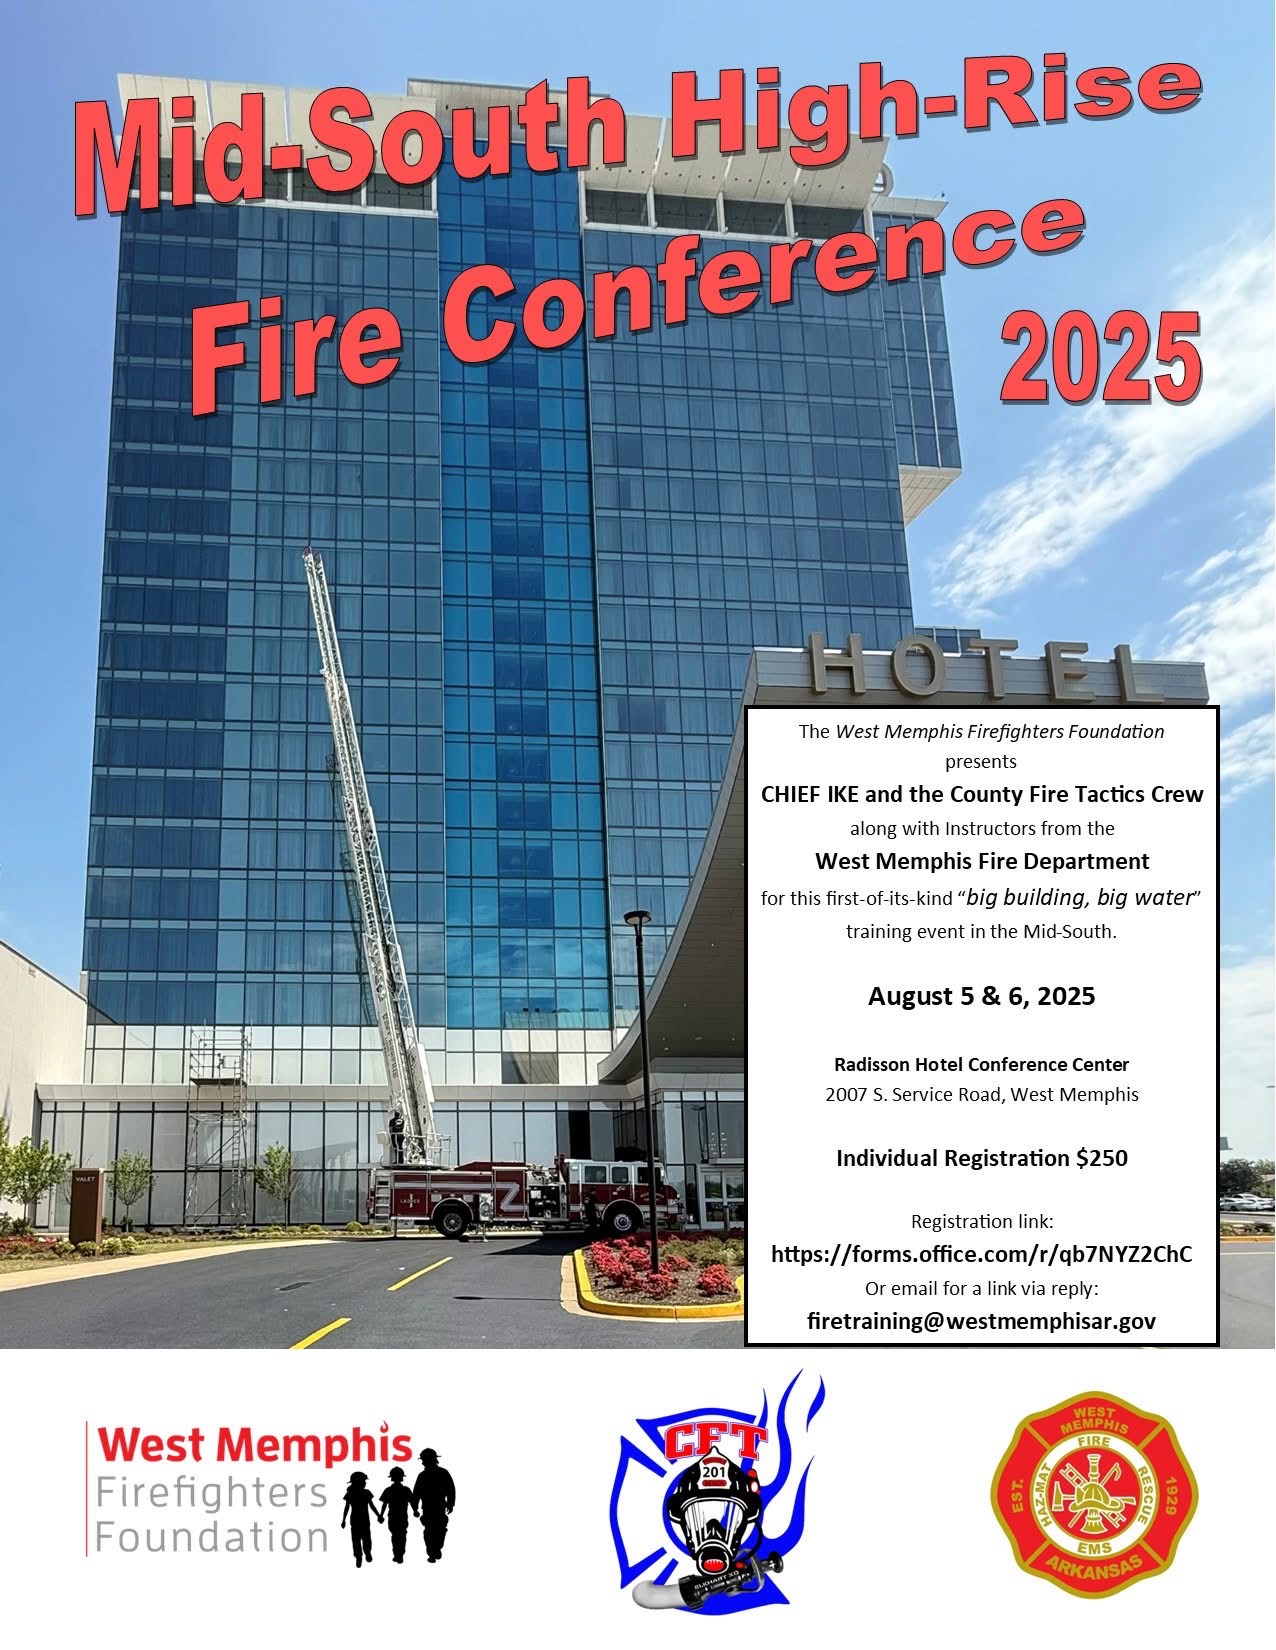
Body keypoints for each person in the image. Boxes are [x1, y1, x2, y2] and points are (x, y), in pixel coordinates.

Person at [411, 1447, 456, 1563]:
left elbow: (451, 1489)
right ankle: (432, 1552)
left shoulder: (442, 1473)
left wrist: (451, 1504)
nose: (422, 1462)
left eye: (424, 1459)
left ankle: (435, 1549)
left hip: (438, 1507)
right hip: (430, 1508)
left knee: (438, 1530)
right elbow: (416, 1493)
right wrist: (415, 1507)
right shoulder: (424, 1475)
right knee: (431, 1531)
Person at [341, 1471, 382, 1567]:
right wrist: (378, 1515)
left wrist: (344, 1520)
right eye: (364, 1481)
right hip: (362, 1520)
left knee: (358, 1539)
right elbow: (347, 1507)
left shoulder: (357, 1493)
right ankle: (361, 1555)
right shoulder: (363, 1493)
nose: (365, 1483)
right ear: (360, 1482)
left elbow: (347, 1507)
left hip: (357, 1520)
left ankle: (363, 1554)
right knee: (364, 1538)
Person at [379, 1467, 415, 1564]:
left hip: (393, 1517)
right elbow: (412, 1503)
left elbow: (384, 1504)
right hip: (402, 1517)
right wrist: (415, 1511)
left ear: (392, 1478)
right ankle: (399, 1554)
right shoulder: (406, 1490)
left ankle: (397, 1554)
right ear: (402, 1477)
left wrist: (381, 1515)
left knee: (395, 1536)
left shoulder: (388, 1490)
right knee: (401, 1536)